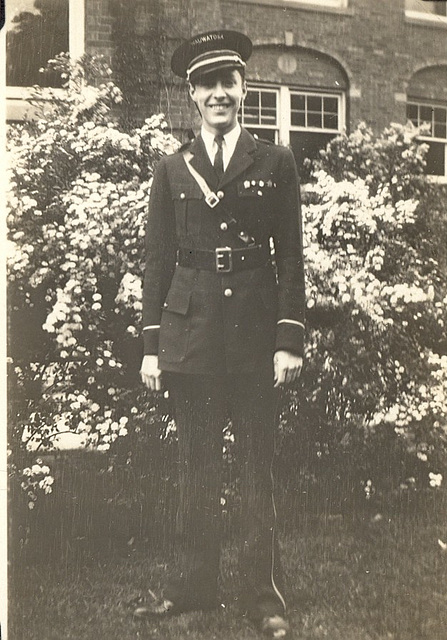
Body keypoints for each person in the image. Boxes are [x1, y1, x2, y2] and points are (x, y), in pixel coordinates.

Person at [139, 29, 305, 639]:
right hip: (191, 337)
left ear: (243, 88)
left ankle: (263, 597)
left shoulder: (276, 160)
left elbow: (290, 256)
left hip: (256, 337)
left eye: (227, 83)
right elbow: (158, 261)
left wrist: (289, 339)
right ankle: (194, 587)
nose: (218, 94)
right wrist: (152, 345)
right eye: (206, 85)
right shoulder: (171, 168)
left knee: (256, 471)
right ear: (192, 94)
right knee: (197, 470)